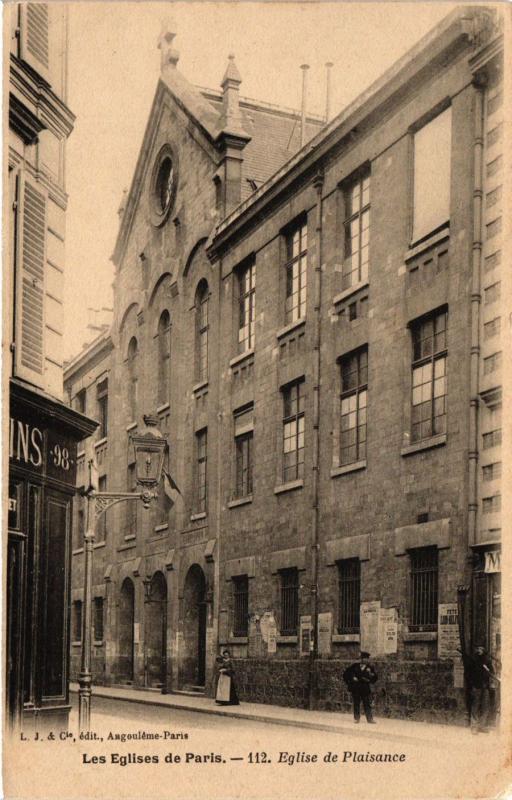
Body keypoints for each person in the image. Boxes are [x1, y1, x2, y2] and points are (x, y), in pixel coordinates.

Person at [343, 651, 378, 724]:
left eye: (367, 659)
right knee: (356, 703)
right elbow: (346, 674)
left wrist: (370, 678)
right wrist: (352, 678)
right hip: (356, 688)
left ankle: (370, 719)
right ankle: (356, 718)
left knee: (367, 704)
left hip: (365, 688)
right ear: (361, 659)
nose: (366, 660)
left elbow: (375, 678)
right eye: (364, 658)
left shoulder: (370, 668)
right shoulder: (355, 666)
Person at [466, 646, 494, 733]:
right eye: (478, 649)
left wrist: (488, 670)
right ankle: (474, 726)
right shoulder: (473, 660)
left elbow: (492, 672)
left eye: (481, 649)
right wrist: (472, 684)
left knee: (485, 706)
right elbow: (468, 673)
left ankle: (482, 726)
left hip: (485, 686)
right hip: (476, 686)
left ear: (484, 650)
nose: (479, 650)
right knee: (475, 706)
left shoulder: (487, 661)